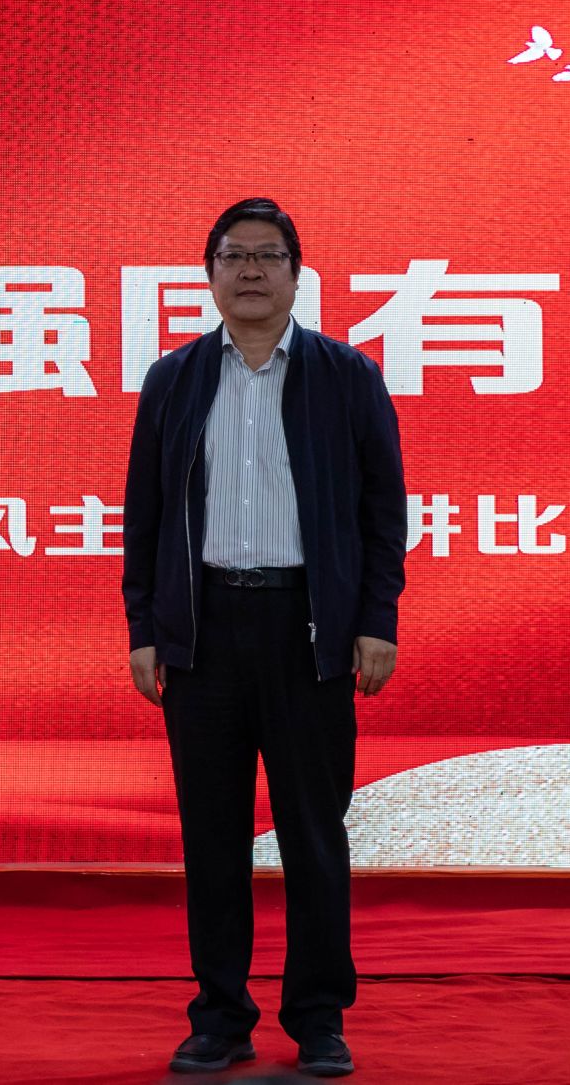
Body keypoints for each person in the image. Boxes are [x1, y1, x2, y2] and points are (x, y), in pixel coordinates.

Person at [121, 198, 406, 1079]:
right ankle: (221, 1014)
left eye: (268, 256)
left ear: (296, 273)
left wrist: (376, 619)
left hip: (308, 630)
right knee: (212, 836)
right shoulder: (174, 379)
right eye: (234, 256)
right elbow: (144, 514)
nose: (250, 270)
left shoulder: (345, 376)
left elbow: (382, 510)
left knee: (314, 832)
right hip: (202, 634)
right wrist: (144, 627)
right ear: (209, 273)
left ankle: (319, 1017)